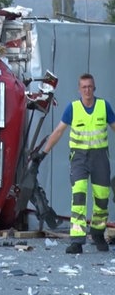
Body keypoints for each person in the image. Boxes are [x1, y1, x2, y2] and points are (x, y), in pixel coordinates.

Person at [34, 73, 115, 254]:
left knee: (101, 199)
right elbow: (58, 132)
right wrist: (43, 154)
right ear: (79, 89)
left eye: (90, 87)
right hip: (79, 158)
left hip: (100, 157)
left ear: (94, 88)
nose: (87, 90)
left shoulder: (104, 106)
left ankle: (98, 233)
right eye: (84, 87)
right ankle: (77, 241)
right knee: (78, 197)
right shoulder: (73, 108)